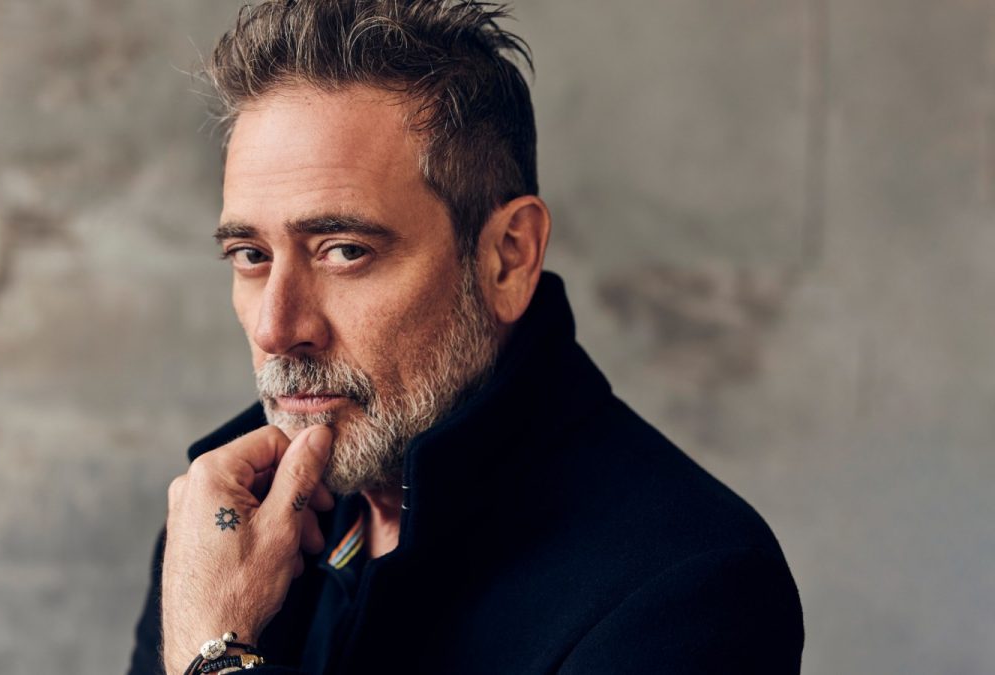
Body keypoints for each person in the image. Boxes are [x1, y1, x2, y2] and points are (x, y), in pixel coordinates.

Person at [128, 1, 804, 673]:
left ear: (508, 257)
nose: (276, 328)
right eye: (250, 255)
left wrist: (214, 653)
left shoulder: (688, 589)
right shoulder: (219, 526)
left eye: (345, 251)